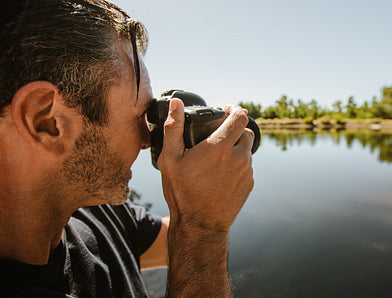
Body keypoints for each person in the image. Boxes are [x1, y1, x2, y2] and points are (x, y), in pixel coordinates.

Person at [0, 0, 254, 296]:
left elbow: (178, 236)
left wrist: (209, 166)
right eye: (138, 117)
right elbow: (194, 233)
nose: (146, 140)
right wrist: (204, 230)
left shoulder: (94, 217)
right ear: (47, 121)